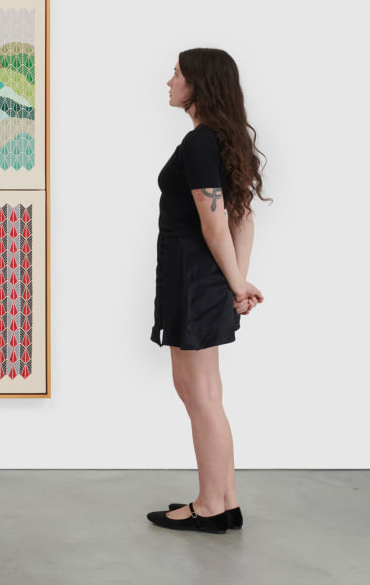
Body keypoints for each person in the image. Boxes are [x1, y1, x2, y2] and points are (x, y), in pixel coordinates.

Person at [146, 48, 269, 534]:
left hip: (192, 274)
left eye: (177, 73)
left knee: (198, 393)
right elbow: (243, 216)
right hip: (209, 276)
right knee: (207, 391)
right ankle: (226, 499)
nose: (169, 80)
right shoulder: (226, 139)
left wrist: (237, 282)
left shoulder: (200, 143)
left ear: (198, 83)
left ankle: (210, 506)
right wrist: (236, 281)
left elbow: (215, 221)